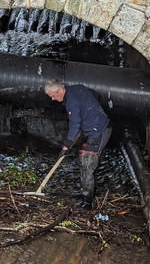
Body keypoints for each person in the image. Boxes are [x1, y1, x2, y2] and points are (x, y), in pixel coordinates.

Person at [44, 79, 112, 210]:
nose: (52, 99)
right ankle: (92, 193)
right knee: (92, 165)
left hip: (99, 131)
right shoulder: (78, 87)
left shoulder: (71, 101)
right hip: (97, 127)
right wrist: (88, 114)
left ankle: (87, 202)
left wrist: (66, 146)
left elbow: (74, 124)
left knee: (87, 164)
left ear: (60, 90)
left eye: (53, 95)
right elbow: (95, 95)